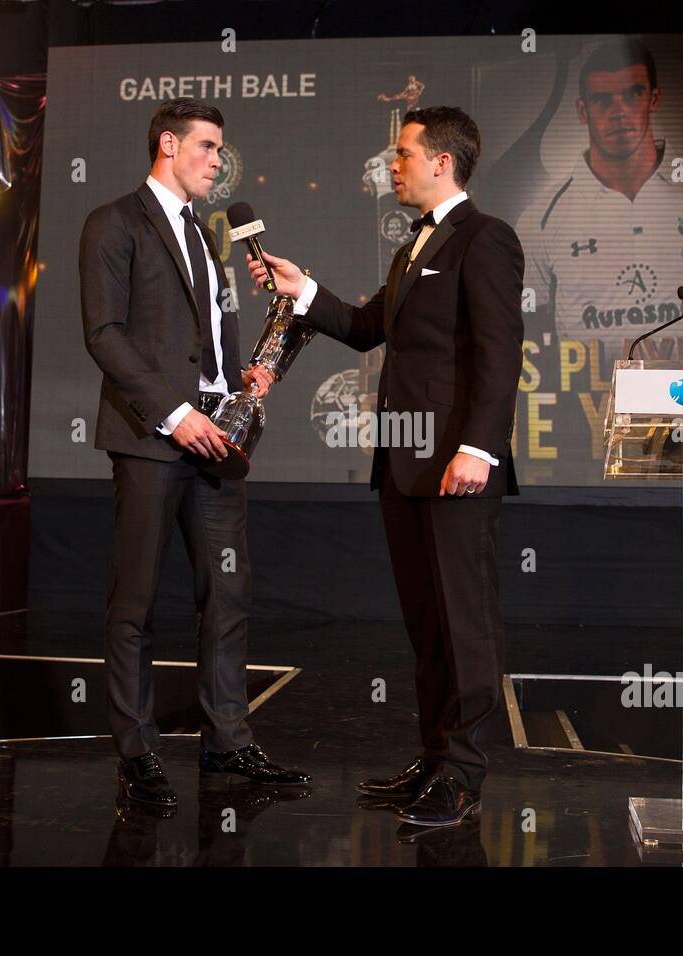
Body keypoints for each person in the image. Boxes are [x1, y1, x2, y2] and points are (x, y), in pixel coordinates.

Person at [249, 106, 523, 827]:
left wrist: (479, 449)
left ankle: (463, 778)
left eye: (402, 153)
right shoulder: (414, 246)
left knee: (465, 625)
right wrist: (302, 290)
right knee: (427, 625)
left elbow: (501, 356)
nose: (392, 165)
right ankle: (435, 761)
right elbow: (370, 328)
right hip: (404, 467)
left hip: (457, 466)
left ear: (442, 162)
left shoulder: (485, 240)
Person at [79, 97, 309, 809]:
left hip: (217, 441)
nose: (218, 159)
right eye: (207, 147)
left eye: (219, 149)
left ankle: (227, 742)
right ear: (168, 146)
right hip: (153, 441)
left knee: (229, 594)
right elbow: (105, 335)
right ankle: (138, 752)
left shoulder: (210, 239)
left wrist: (247, 375)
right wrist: (176, 415)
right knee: (137, 601)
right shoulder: (113, 223)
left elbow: (207, 338)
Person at [516, 38, 683, 348]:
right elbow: (530, 328)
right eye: (602, 99)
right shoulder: (539, 218)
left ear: (653, 99)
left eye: (632, 94)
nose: (618, 112)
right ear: (582, 110)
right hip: (590, 395)